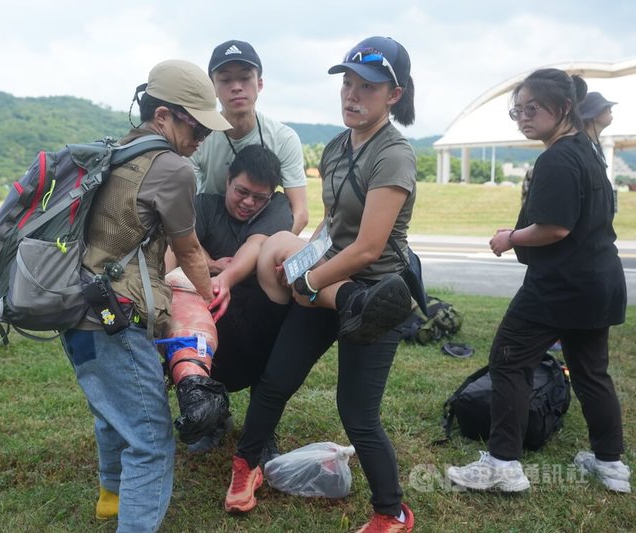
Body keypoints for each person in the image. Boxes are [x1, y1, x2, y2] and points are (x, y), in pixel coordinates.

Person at [223, 36, 417, 532]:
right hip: (331, 284)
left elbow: (369, 247)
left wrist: (306, 278)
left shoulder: (393, 155)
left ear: (393, 95)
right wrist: (305, 263)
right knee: (275, 381)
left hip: (376, 298)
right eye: (347, 84)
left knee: (357, 414)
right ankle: (246, 467)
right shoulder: (334, 149)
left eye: (367, 88)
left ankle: (391, 513)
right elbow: (331, 228)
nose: (352, 95)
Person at [58, 59, 232, 532]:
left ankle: (111, 498)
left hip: (76, 311)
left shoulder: (117, 151)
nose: (202, 138)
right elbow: (188, 247)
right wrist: (210, 292)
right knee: (152, 437)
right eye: (195, 126)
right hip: (114, 318)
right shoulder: (171, 167)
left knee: (113, 410)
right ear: (163, 117)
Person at [447, 68, 630, 495]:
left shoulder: (558, 157)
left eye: (533, 108)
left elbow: (554, 228)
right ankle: (611, 463)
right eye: (517, 110)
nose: (523, 118)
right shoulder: (586, 149)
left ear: (564, 108)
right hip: (598, 280)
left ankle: (502, 463)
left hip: (560, 284)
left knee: (509, 360)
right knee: (591, 373)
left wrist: (508, 238)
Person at [175, 144, 294, 458]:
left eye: (259, 197)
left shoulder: (277, 208)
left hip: (259, 316)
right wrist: (213, 266)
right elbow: (184, 243)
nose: (249, 202)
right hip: (212, 316)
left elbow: (257, 244)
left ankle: (262, 429)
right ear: (227, 180)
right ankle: (213, 417)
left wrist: (226, 278)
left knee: (278, 337)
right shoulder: (202, 205)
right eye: (242, 191)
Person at [191, 39, 310, 234]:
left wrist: (266, 252)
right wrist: (206, 261)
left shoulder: (284, 139)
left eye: (245, 78)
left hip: (262, 233)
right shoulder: (197, 138)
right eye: (226, 80)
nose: (236, 87)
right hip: (209, 232)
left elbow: (300, 213)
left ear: (260, 83)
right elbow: (182, 213)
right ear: (212, 87)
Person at [579, 91, 617, 165]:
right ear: (594, 115)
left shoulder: (592, 145)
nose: (611, 111)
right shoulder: (580, 147)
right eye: (607, 108)